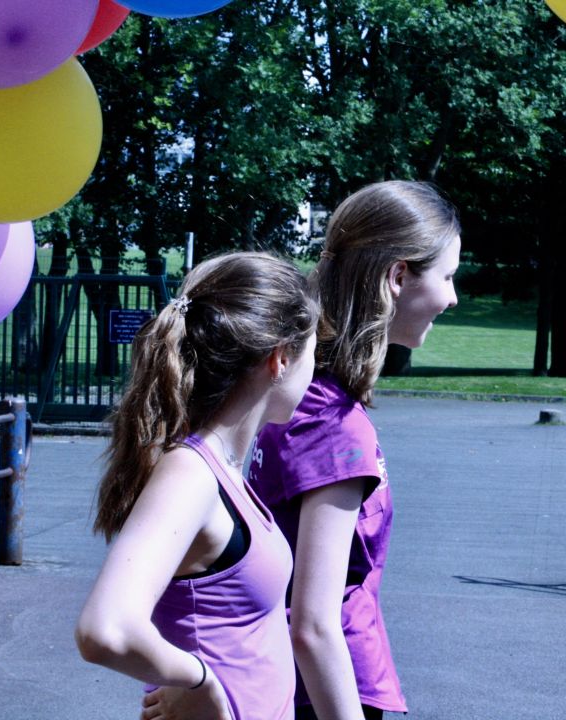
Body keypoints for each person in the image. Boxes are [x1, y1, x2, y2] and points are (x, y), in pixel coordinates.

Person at [248, 180, 462, 719]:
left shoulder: (295, 393)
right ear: (398, 277)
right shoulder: (334, 424)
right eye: (447, 276)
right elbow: (313, 625)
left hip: (277, 684)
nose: (453, 297)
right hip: (322, 696)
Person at [75, 252, 319, 720]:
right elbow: (105, 629)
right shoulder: (190, 473)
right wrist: (198, 681)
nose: (316, 367)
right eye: (314, 351)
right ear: (281, 359)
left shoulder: (222, 471)